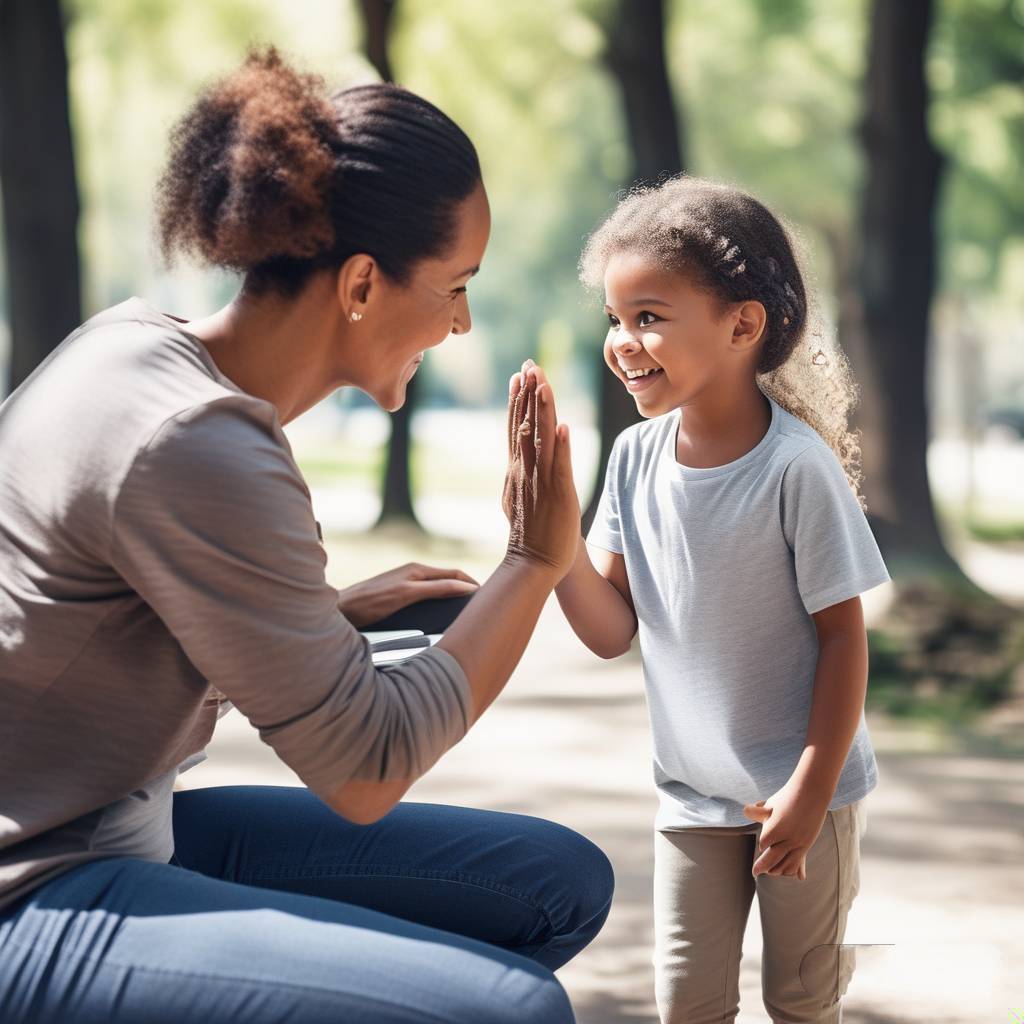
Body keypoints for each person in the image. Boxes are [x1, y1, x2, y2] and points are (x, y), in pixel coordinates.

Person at [0, 48, 612, 1024]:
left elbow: (90, 625)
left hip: (116, 823)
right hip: (30, 883)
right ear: (361, 282)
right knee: (513, 1011)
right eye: (454, 286)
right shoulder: (198, 444)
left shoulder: (132, 348)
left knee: (553, 880)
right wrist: (533, 563)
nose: (459, 325)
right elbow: (367, 767)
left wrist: (321, 617)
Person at [537, 175, 891, 1023]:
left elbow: (845, 641)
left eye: (650, 316)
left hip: (809, 795)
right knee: (687, 1004)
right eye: (616, 320)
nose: (624, 342)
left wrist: (809, 792)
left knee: (800, 1000)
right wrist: (551, 548)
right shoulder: (632, 459)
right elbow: (608, 629)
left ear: (742, 324)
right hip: (693, 797)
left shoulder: (794, 469)